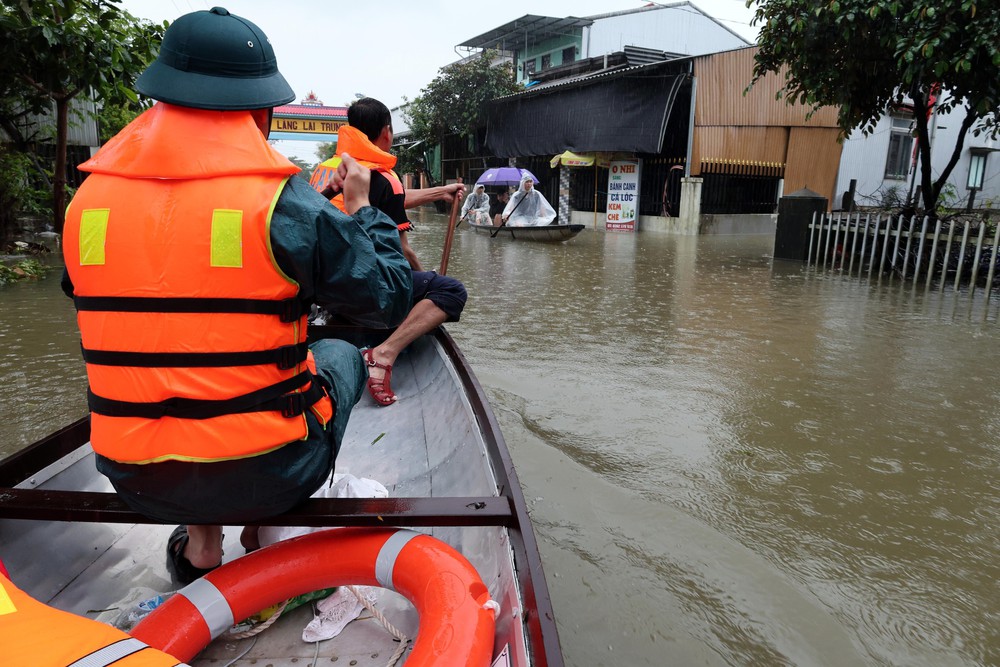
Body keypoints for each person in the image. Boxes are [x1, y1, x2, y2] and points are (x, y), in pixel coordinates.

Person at [59, 8, 412, 584]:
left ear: (162, 99)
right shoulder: (286, 201)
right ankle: (259, 526)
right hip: (267, 472)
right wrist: (363, 208)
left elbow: (96, 295)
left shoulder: (86, 201)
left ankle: (202, 542)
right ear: (259, 109)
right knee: (343, 355)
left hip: (133, 474)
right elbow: (387, 300)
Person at [318, 97, 467, 407]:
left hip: (323, 288)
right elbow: (402, 251)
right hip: (360, 289)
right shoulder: (383, 176)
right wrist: (429, 281)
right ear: (386, 132)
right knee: (450, 292)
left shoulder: (327, 170)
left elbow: (393, 197)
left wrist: (441, 192)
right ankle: (382, 354)